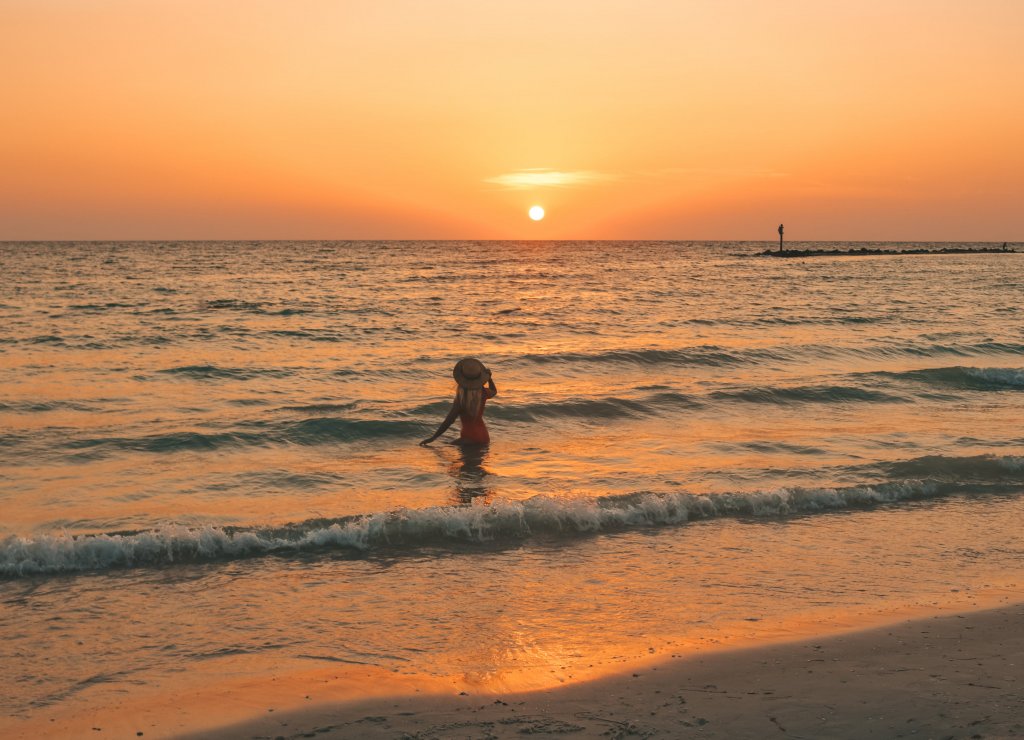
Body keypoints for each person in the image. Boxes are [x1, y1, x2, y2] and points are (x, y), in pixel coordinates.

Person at [420, 358, 497, 446]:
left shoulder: (461, 401)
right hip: (484, 438)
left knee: (443, 448)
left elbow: (448, 421)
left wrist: (433, 438)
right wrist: (489, 378)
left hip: (469, 439)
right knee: (449, 446)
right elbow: (494, 391)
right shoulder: (483, 393)